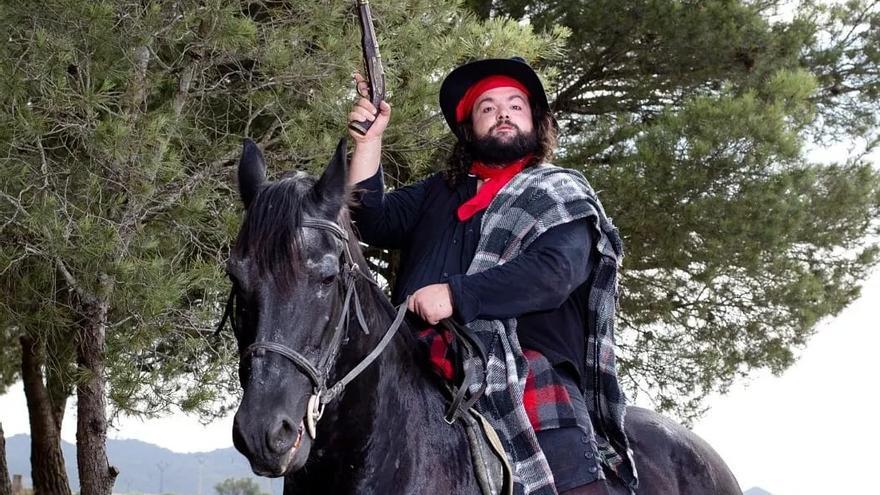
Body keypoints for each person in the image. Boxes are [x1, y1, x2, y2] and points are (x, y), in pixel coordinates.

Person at [346, 58, 637, 495]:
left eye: (515, 105)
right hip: (416, 361)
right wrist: (370, 143)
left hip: (527, 370)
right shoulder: (437, 192)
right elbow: (370, 220)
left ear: (536, 123)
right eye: (487, 108)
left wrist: (456, 294)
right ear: (469, 130)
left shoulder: (560, 192)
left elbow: (555, 273)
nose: (502, 113)